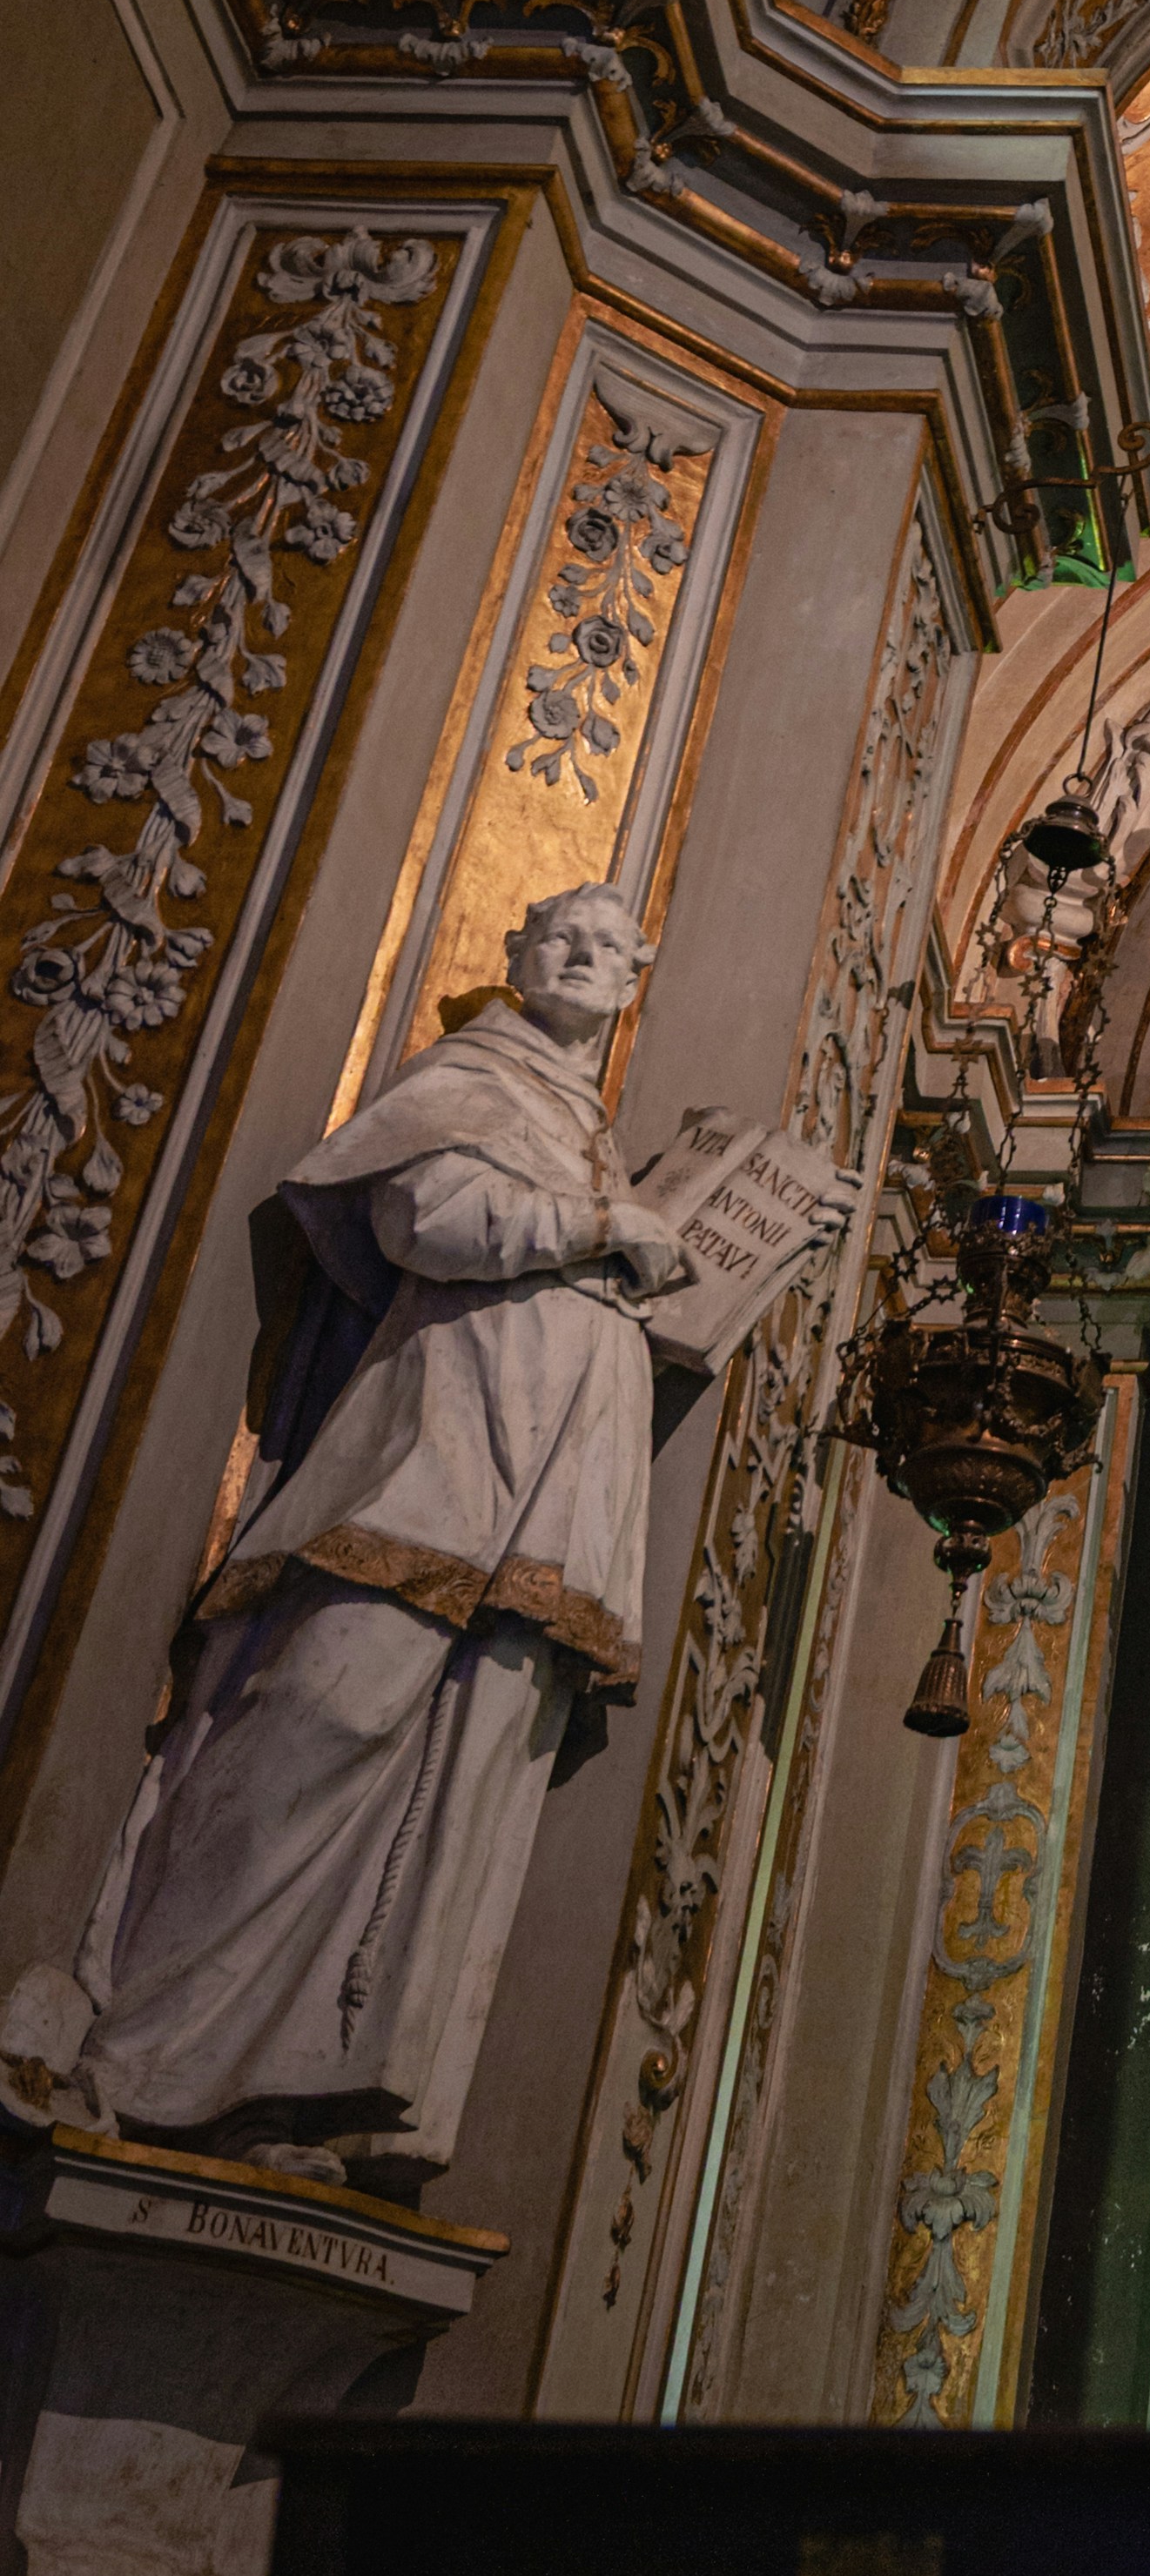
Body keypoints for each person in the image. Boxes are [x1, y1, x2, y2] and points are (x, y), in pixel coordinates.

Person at [32, 889, 691, 2190]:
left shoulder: (596, 1132)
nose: (583, 955)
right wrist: (606, 1232)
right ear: (515, 954)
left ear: (634, 983)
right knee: (325, 1706)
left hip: (554, 1490)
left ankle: (322, 2095)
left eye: (612, 946)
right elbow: (426, 1221)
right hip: (442, 1437)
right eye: (561, 932)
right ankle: (143, 2051)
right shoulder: (473, 1078)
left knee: (465, 1768)